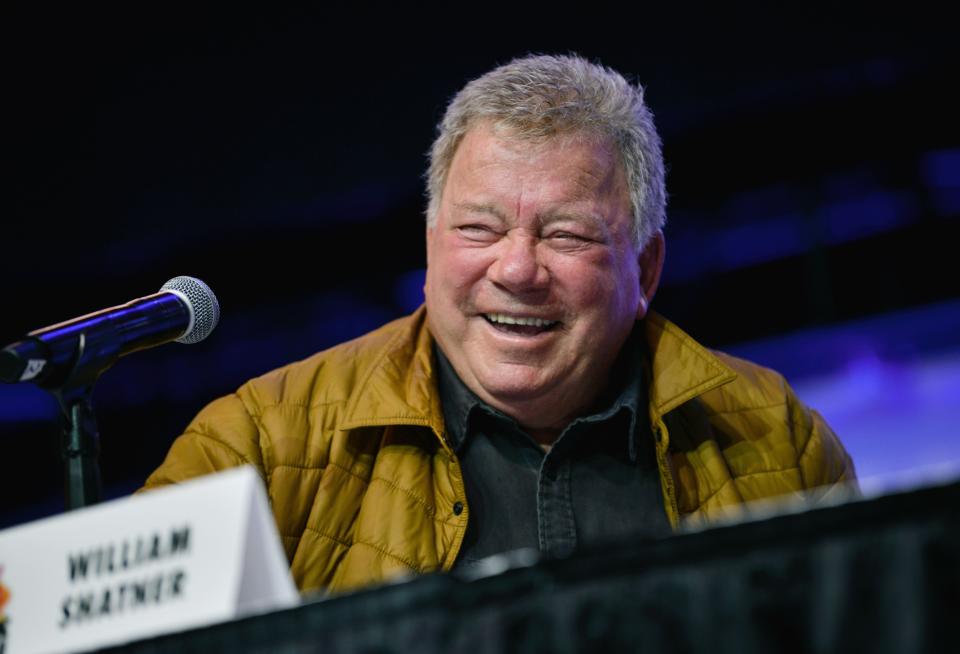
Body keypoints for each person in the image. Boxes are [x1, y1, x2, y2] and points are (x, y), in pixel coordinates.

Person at [142, 54, 857, 595]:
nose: (517, 269)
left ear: (645, 270)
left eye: (567, 235)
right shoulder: (258, 445)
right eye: (478, 228)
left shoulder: (777, 439)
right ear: (429, 246)